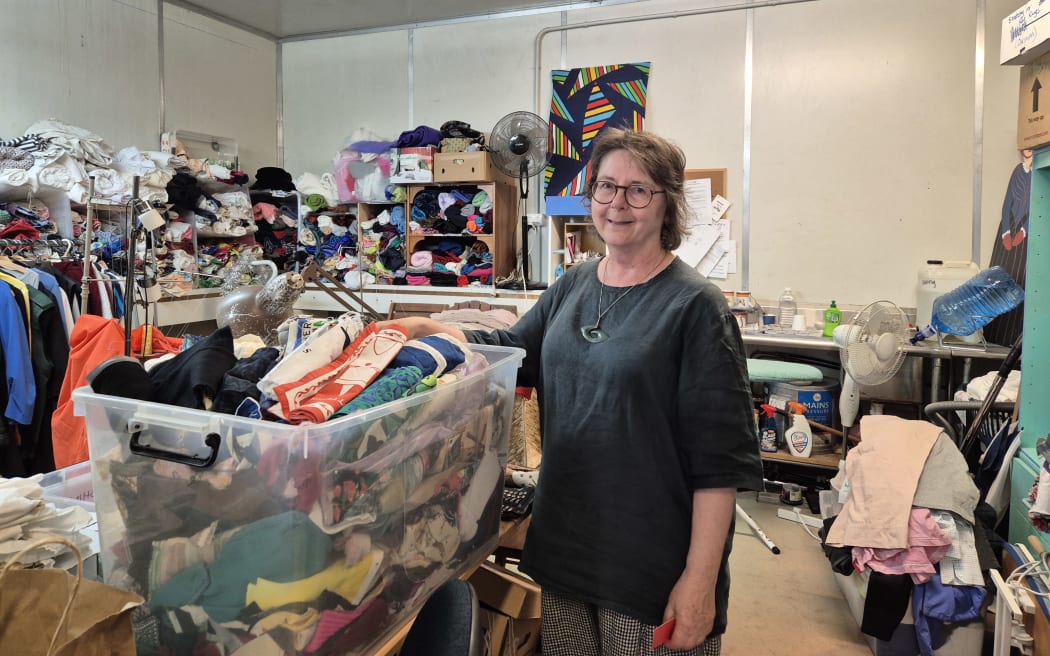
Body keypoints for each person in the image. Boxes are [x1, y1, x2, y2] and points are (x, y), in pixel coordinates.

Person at [382, 127, 762, 655]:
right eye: (606, 187)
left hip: (649, 565)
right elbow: (513, 349)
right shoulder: (575, 285)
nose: (618, 203)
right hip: (566, 549)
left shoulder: (696, 308)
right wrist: (437, 333)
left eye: (638, 189)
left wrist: (699, 583)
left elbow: (720, 465)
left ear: (667, 202)